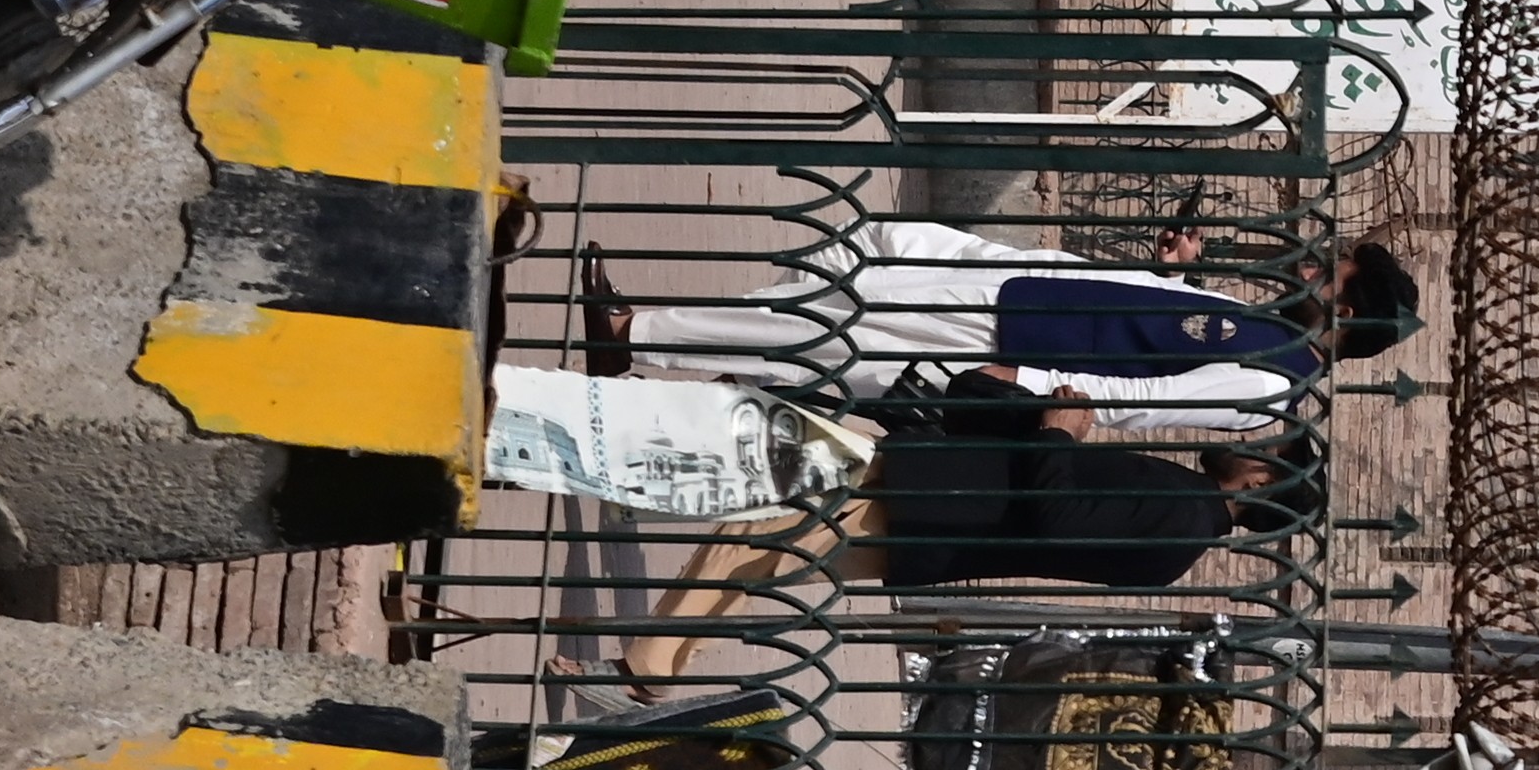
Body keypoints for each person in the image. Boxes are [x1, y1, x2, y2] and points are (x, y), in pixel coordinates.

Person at [626, 380, 1311, 679]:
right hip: (923, 496)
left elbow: (1058, 520)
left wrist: (1058, 435)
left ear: (1257, 484)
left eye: (1267, 451)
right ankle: (655, 662)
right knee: (750, 543)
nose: (1253, 441)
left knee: (751, 544)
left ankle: (646, 666)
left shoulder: (1181, 518)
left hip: (927, 508)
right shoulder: (1184, 511)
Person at [598, 216, 1414, 438]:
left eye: (1328, 271)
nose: (1310, 264)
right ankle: (709, 355)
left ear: (1345, 310)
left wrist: (1021, 385)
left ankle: (638, 333)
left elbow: (1139, 399)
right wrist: (1171, 274)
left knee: (832, 327)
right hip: (1022, 289)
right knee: (872, 250)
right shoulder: (1263, 320)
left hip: (1006, 345)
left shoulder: (1270, 384)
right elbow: (1162, 325)